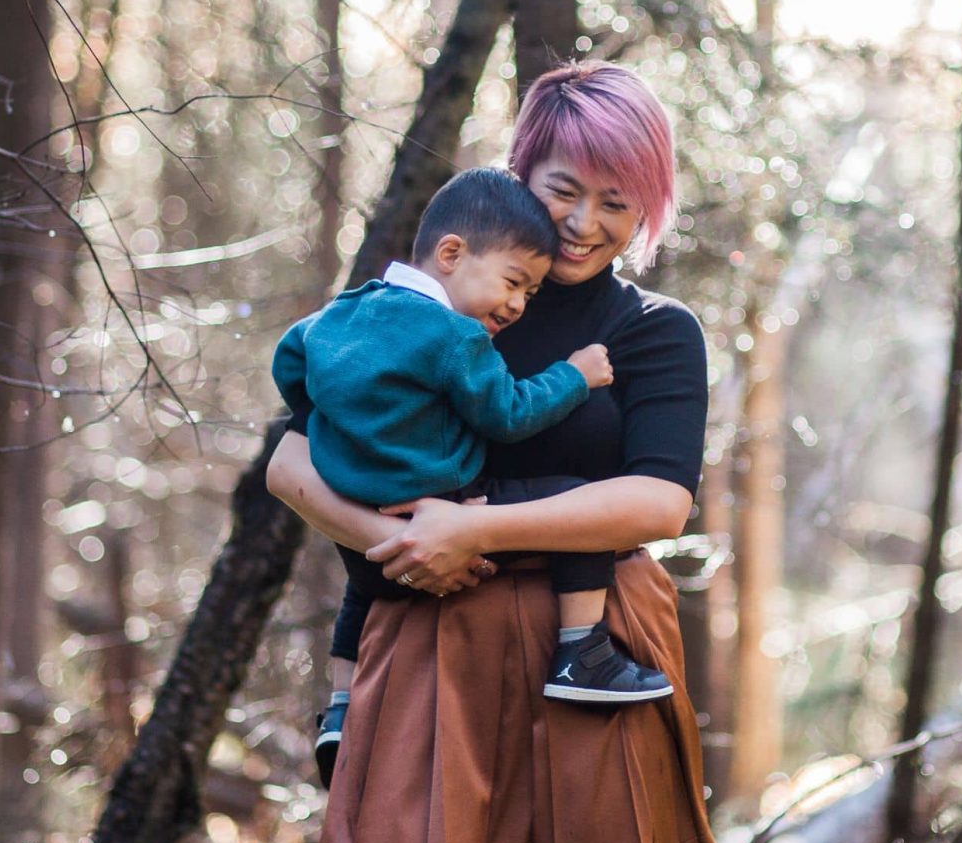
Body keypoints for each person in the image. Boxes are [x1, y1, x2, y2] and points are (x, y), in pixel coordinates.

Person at [265, 62, 715, 843]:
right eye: (563, 190)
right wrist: (395, 539)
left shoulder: (651, 332)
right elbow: (288, 461)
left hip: (593, 653)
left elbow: (659, 498)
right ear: (521, 172)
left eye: (616, 201)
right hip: (425, 635)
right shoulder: (425, 305)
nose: (585, 223)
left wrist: (473, 528)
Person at [273, 165, 677, 788]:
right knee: (577, 501)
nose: (515, 306)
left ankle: (341, 706)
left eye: (614, 201)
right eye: (564, 191)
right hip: (445, 508)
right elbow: (508, 414)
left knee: (362, 591)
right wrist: (575, 377)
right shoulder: (461, 336)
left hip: (374, 532)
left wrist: (348, 427)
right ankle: (582, 651)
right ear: (452, 254)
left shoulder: (350, 310)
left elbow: (291, 360)